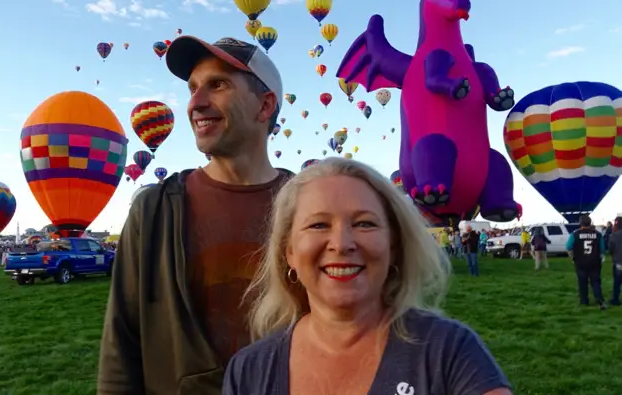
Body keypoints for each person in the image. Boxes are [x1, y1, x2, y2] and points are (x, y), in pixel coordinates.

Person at [97, 35, 293, 394]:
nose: (196, 103)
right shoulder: (155, 211)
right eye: (192, 88)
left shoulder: (309, 206)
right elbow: (121, 345)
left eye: (217, 85)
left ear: (265, 106)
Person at [223, 158, 512, 395]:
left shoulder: (448, 352)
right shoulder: (249, 371)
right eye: (318, 225)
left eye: (364, 223)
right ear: (289, 252)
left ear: (394, 246)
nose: (342, 243)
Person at [566, 215, 606, 309]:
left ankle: (584, 301)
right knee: (596, 282)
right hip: (595, 262)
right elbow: (603, 249)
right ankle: (599, 300)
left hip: (580, 262)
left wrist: (573, 258)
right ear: (590, 223)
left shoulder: (575, 234)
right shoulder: (598, 234)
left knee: (582, 282)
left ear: (580, 223)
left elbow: (568, 247)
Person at [607, 216, 622, 306]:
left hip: (618, 262)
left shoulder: (613, 236)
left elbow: (610, 250)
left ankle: (615, 299)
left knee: (617, 282)